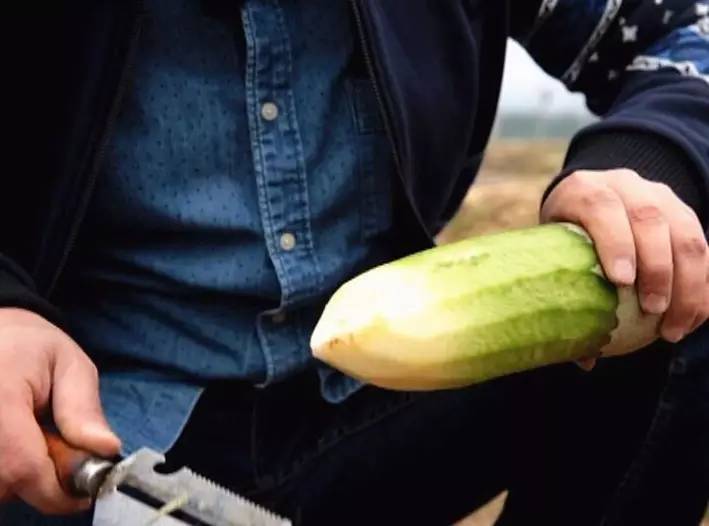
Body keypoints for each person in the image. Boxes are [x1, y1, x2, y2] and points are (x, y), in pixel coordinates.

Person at [1, 1, 708, 525]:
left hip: (386, 395)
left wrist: (649, 160)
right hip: (84, 431)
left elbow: (687, 31)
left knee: (676, 281)